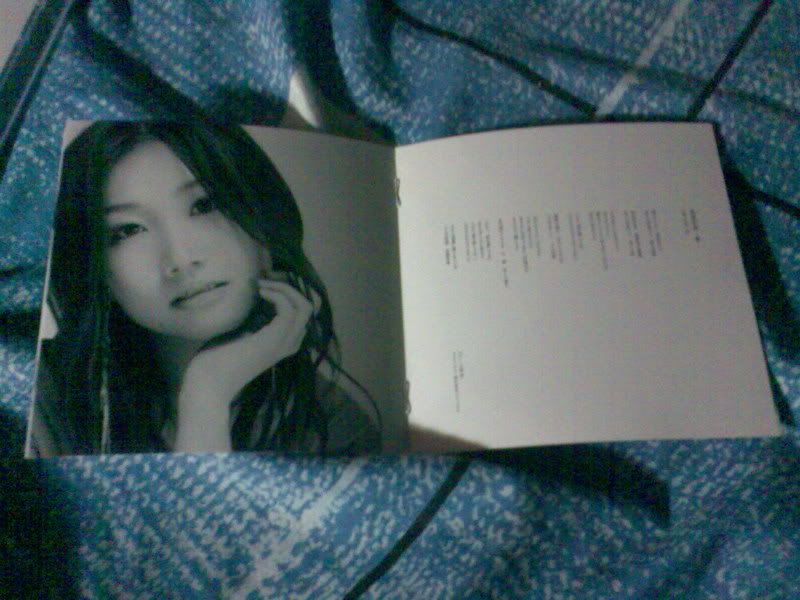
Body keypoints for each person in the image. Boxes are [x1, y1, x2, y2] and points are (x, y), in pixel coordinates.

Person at [35, 120, 381, 456]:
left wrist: (208, 392)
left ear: (264, 217)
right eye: (127, 231)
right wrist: (206, 399)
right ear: (91, 265)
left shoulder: (334, 427)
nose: (181, 259)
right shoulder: (36, 393)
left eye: (204, 205)